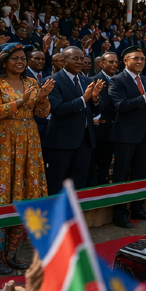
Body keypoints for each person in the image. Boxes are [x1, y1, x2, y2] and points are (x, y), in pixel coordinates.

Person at [0, 43, 54, 274]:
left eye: (23, 58)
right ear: (3, 61)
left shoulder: (31, 82)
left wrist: (41, 99)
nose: (21, 62)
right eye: (15, 58)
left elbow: (41, 113)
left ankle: (12, 255)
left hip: (28, 143)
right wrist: (21, 101)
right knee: (0, 200)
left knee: (25, 197)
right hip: (0, 145)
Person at [107, 46, 146, 229]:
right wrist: (145, 96)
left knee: (140, 174)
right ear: (126, 61)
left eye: (142, 58)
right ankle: (120, 214)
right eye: (135, 58)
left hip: (144, 135)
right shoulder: (117, 80)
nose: (140, 61)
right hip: (125, 136)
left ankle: (137, 208)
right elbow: (121, 106)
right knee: (121, 175)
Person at [42, 46, 103, 195]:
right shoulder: (52, 81)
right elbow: (58, 109)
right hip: (62, 141)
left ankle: (75, 216)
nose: (80, 61)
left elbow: (96, 110)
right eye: (75, 58)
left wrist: (95, 98)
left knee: (79, 184)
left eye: (82, 58)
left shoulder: (87, 80)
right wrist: (84, 98)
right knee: (57, 183)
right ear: (63, 61)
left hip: (85, 140)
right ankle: (58, 217)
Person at [90, 52, 118, 186]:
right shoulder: (93, 80)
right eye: (110, 62)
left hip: (114, 127)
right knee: (93, 164)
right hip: (98, 128)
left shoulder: (119, 80)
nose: (114, 65)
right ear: (101, 64)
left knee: (106, 165)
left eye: (116, 62)